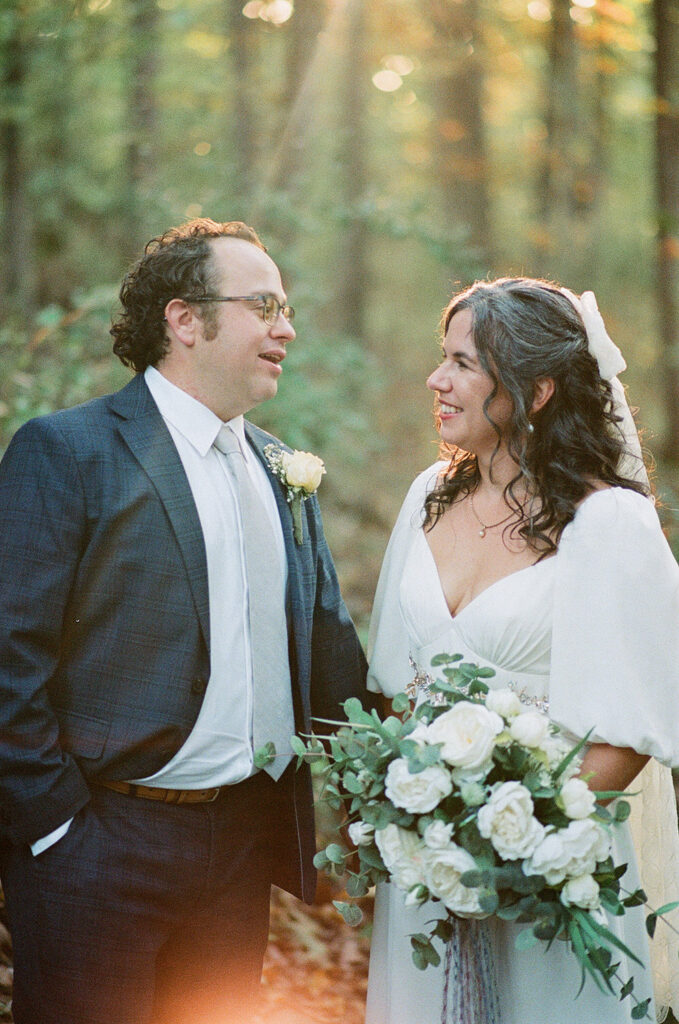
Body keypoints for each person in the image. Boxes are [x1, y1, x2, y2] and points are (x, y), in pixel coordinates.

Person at [0, 218, 368, 1024]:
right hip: (99, 843)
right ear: (184, 319)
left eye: (288, 307)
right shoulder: (68, 452)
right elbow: (7, 661)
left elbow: (332, 653)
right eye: (264, 304)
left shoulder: (283, 469)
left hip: (239, 851)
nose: (287, 328)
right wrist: (57, 829)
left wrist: (435, 762)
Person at [364, 277, 679, 1024]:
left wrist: (513, 846)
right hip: (426, 866)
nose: (437, 380)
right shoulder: (425, 495)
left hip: (554, 876)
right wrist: (428, 837)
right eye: (442, 358)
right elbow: (397, 688)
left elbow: (625, 733)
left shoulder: (609, 524)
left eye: (464, 364)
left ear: (535, 391)